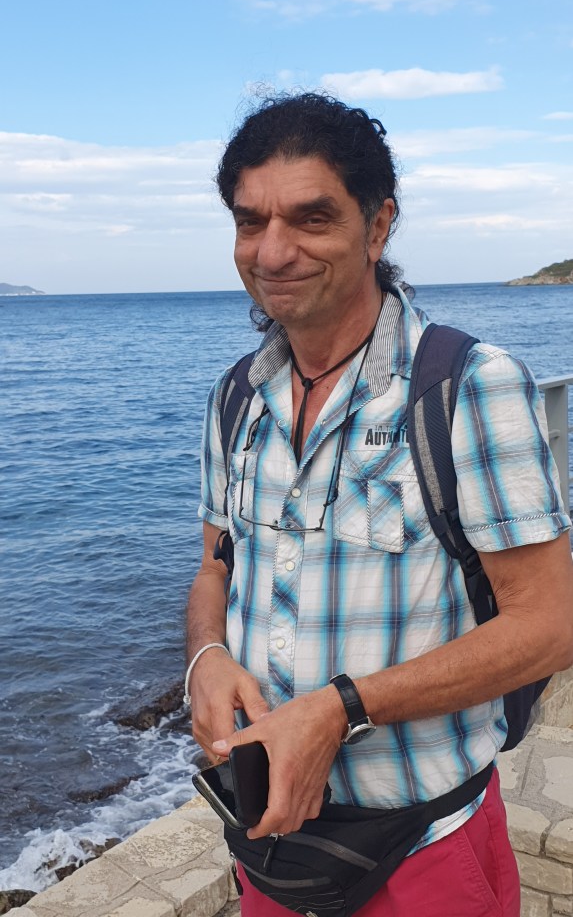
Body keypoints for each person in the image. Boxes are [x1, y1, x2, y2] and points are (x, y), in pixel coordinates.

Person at [186, 92, 573, 917]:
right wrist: (205, 658)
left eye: (311, 218)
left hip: (422, 852)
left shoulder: (467, 386)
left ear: (378, 224)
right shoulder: (234, 397)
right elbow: (215, 566)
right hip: (271, 847)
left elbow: (550, 626)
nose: (273, 251)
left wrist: (341, 709)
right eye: (250, 222)